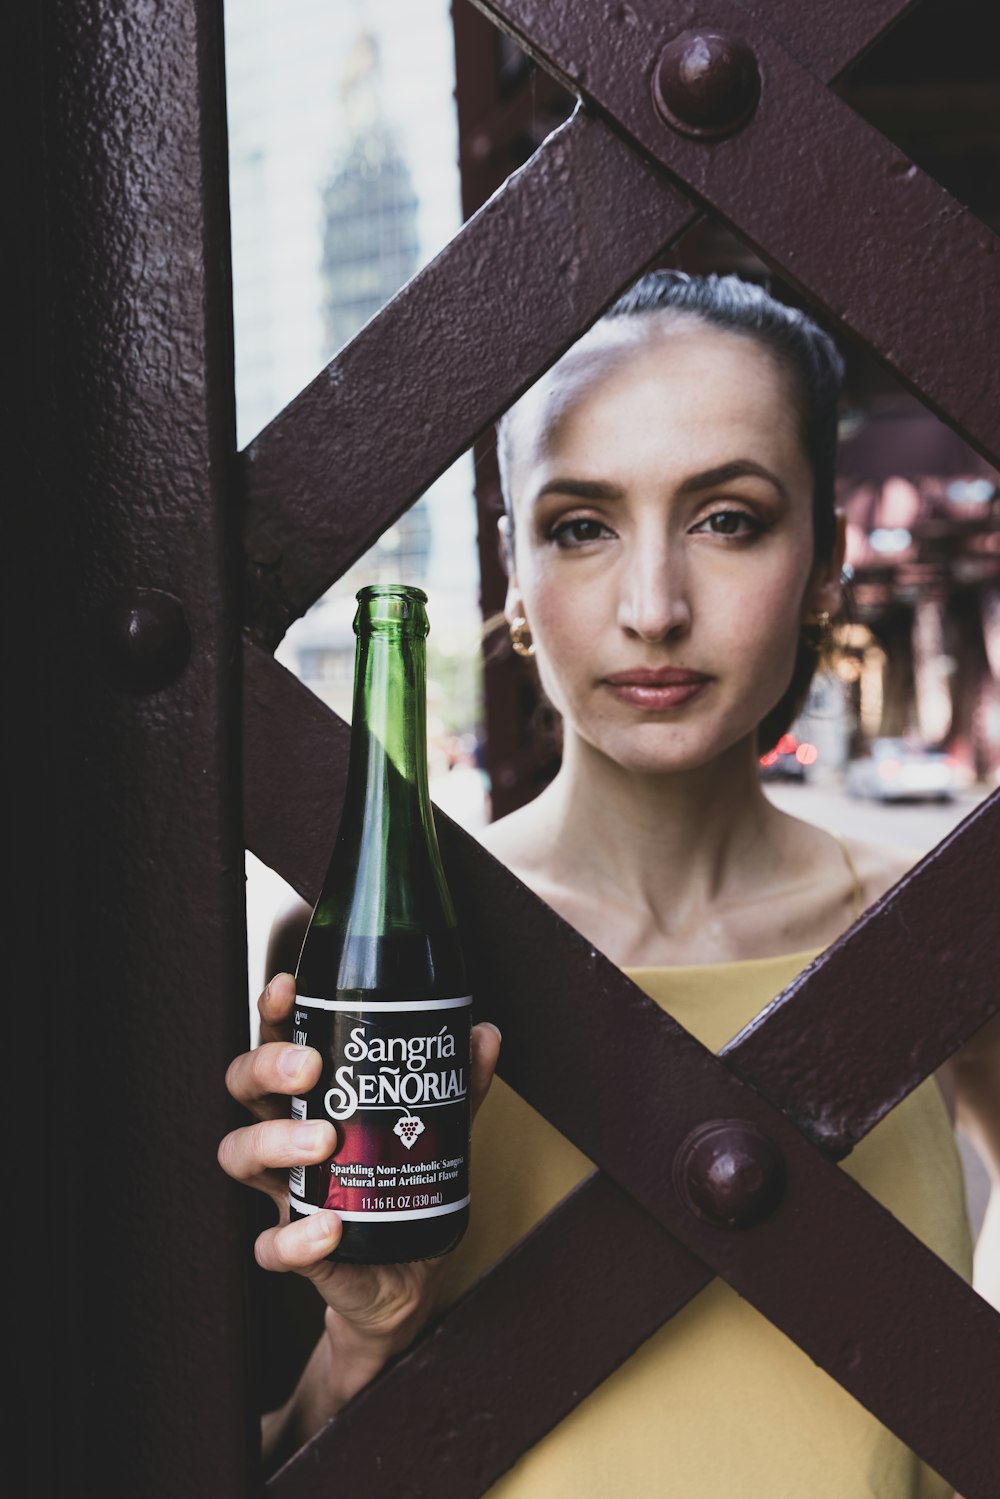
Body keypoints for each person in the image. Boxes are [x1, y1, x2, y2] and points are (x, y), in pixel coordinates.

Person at [219, 271, 998, 1494]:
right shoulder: (352, 963)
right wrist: (364, 1334)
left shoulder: (944, 945)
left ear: (826, 563)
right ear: (514, 578)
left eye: (727, 518)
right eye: (581, 525)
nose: (653, 608)